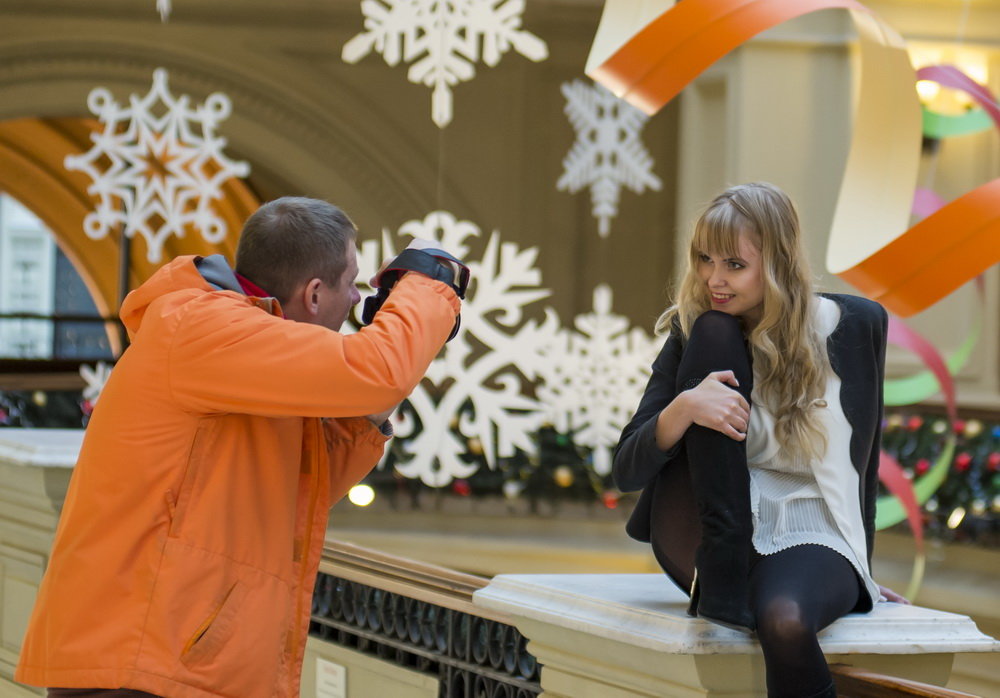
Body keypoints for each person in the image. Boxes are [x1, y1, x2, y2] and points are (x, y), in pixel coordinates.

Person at [16, 197, 464, 698]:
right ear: (314, 294)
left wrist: (389, 377)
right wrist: (431, 283)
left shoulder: (238, 351)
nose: (357, 301)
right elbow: (378, 370)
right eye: (352, 283)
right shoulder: (205, 327)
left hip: (167, 663)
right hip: (141, 666)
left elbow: (301, 484)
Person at [613, 183, 908, 698]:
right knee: (713, 331)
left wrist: (858, 569)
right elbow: (627, 469)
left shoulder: (853, 328)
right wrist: (685, 407)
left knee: (787, 619)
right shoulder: (694, 335)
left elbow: (861, 463)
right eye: (704, 259)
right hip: (713, 535)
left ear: (776, 263)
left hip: (812, 530)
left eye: (733, 264)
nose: (712, 278)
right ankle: (724, 582)